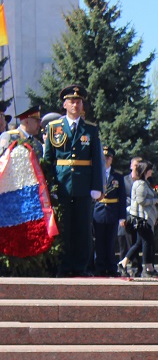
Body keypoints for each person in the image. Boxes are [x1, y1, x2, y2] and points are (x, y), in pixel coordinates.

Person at [42, 84, 103, 277]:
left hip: (84, 185)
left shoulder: (90, 129)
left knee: (83, 229)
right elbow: (48, 159)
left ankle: (81, 266)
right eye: (72, 101)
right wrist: (49, 186)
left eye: (78, 101)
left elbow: (97, 161)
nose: (75, 105)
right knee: (64, 227)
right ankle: (64, 265)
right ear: (65, 104)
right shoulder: (54, 128)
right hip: (62, 185)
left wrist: (97, 187)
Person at [119, 161, 158, 277]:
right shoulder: (140, 184)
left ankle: (123, 263)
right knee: (147, 242)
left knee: (139, 243)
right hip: (142, 219)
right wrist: (155, 201)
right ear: (146, 171)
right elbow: (141, 201)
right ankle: (148, 267)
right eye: (150, 169)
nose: (152, 171)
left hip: (146, 218)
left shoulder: (146, 183)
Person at [91, 146, 124, 277]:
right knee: (99, 241)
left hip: (112, 211)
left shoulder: (118, 176)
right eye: (103, 157)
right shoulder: (96, 173)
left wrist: (122, 216)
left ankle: (111, 267)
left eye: (108, 157)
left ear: (112, 159)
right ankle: (99, 267)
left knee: (110, 242)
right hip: (99, 211)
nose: (106, 160)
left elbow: (121, 197)